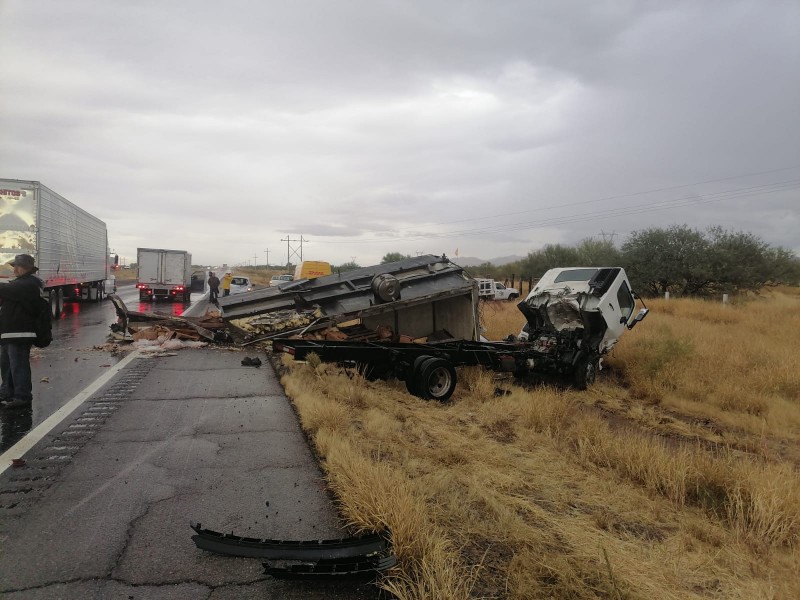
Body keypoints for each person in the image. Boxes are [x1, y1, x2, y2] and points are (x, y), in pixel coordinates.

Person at [0, 254, 44, 410]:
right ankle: (7, 393)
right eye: (14, 266)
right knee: (7, 366)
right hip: (9, 333)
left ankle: (22, 396)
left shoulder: (29, 284)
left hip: (20, 333)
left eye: (19, 266)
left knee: (18, 366)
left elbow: (4, 289)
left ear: (28, 268)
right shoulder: (21, 283)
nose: (15, 269)